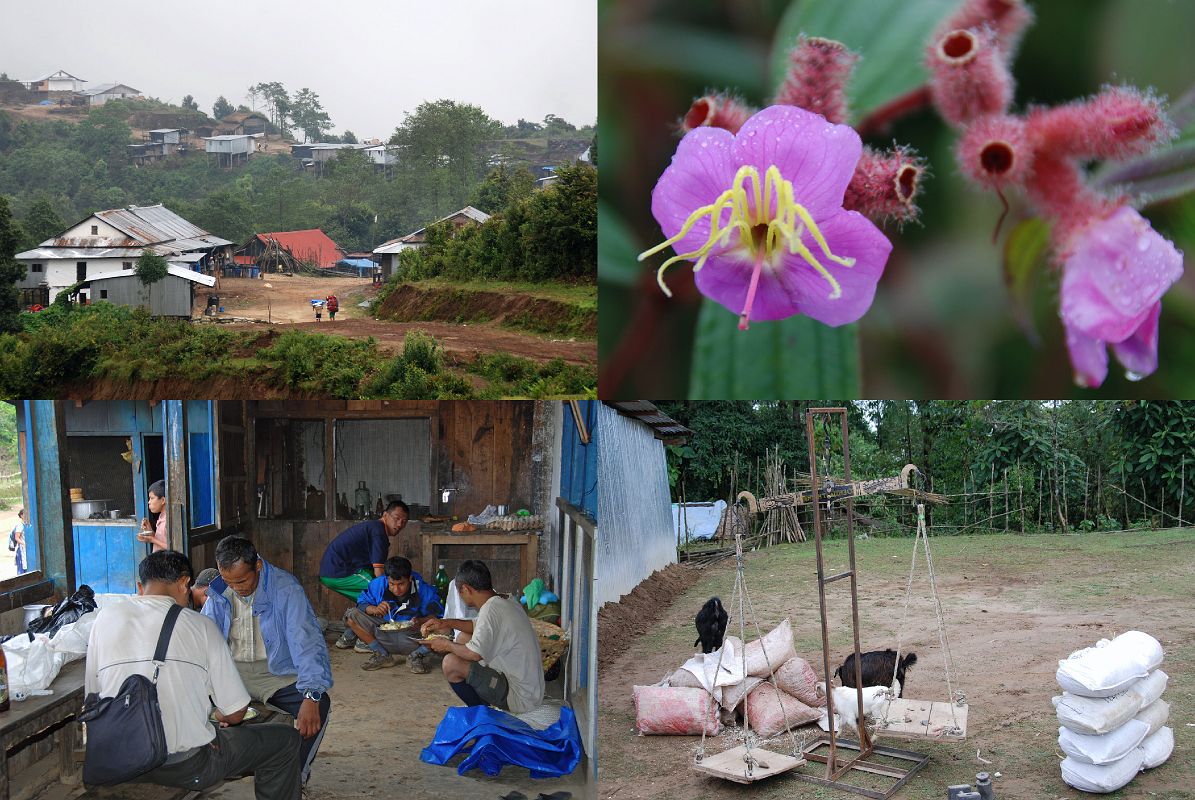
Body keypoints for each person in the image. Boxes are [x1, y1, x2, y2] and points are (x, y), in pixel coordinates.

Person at [85, 549, 301, 800]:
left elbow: (93, 695)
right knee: (285, 741)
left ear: (140, 586)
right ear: (185, 583)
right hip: (183, 766)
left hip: (115, 760)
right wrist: (212, 717)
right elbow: (235, 713)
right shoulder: (200, 625)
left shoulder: (104, 619)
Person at [203, 536, 332, 789]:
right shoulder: (217, 591)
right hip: (231, 673)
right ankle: (210, 766)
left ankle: (294, 777)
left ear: (258, 566)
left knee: (319, 705)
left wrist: (311, 694)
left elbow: (305, 641)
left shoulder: (286, 589)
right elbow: (205, 640)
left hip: (275, 674)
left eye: (242, 581)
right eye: (229, 581)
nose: (236, 588)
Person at [420, 560, 544, 715]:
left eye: (460, 592)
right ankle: (484, 704)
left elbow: (474, 654)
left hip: (520, 696)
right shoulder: (505, 600)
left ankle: (484, 714)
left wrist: (446, 645)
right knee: (464, 638)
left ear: (466, 589)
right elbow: (475, 626)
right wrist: (444, 623)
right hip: (530, 688)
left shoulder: (491, 610)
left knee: (450, 663)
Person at [336, 556, 443, 673]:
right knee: (351, 615)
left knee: (444, 627)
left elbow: (436, 617)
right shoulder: (378, 585)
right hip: (383, 635)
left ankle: (417, 656)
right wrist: (373, 609)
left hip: (412, 638)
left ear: (410, 578)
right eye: (392, 584)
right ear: (387, 579)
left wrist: (421, 621)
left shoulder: (424, 590)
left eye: (401, 584)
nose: (396, 589)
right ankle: (382, 655)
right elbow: (361, 603)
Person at [318, 501, 409, 601]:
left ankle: (366, 611)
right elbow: (378, 572)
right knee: (383, 590)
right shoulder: (378, 531)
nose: (400, 524)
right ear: (385, 515)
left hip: (336, 571)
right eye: (396, 518)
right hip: (337, 571)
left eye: (404, 521)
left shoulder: (375, 528)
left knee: (372, 597)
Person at [137, 480, 168, 551]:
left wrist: (152, 540)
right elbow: (162, 539)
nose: (149, 502)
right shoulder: (161, 516)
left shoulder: (168, 519)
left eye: (152, 498)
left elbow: (175, 548)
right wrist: (150, 531)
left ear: (163, 500)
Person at [9, 509, 27, 575]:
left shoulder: (27, 524)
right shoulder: (20, 526)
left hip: (26, 549)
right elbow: (17, 538)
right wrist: (24, 544)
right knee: (22, 568)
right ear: (21, 516)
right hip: (22, 550)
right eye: (25, 514)